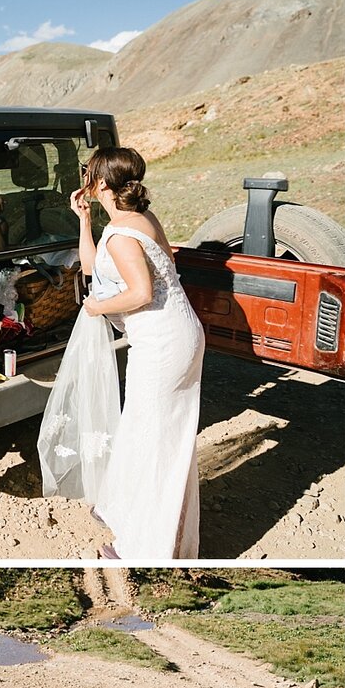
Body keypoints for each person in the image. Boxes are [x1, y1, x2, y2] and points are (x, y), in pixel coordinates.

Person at [69, 146, 205, 559]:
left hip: (163, 342)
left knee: (156, 437)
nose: (85, 181)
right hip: (176, 332)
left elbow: (140, 293)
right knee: (146, 428)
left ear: (104, 184)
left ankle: (144, 546)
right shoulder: (135, 221)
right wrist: (85, 221)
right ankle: (125, 511)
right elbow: (93, 268)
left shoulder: (124, 234)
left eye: (89, 174)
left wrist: (96, 307)